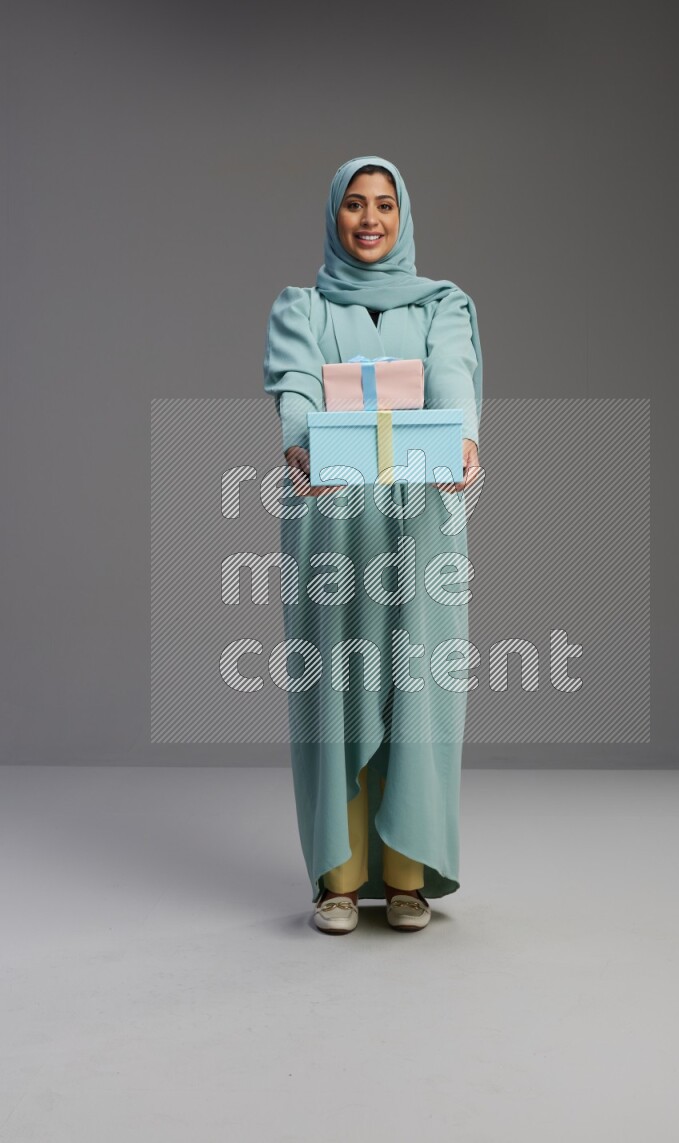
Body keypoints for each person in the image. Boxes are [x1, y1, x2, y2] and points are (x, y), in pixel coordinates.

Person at [263, 155, 483, 934]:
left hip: (419, 519)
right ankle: (338, 878)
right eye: (354, 205)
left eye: (384, 205)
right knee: (338, 689)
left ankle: (407, 874)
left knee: (418, 687)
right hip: (332, 519)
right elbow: (295, 380)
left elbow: (453, 376)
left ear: (403, 215)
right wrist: (298, 440)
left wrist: (462, 439)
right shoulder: (305, 306)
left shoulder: (441, 305)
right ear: (334, 215)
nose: (368, 220)